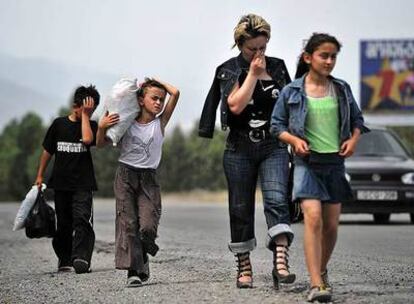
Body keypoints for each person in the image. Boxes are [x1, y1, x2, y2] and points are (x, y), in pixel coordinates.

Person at [271, 33, 369, 302]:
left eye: (333, 56)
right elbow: (276, 126)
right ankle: (316, 284)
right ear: (308, 58)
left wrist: (353, 139)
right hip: (307, 163)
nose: (329, 61)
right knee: (312, 218)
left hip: (335, 164)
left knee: (331, 226)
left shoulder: (341, 89)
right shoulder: (292, 91)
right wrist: (294, 140)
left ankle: (322, 269)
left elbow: (358, 121)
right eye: (323, 55)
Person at [199, 13, 295, 289]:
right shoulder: (228, 69)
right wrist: (253, 74)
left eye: (263, 47)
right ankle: (244, 265)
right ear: (240, 44)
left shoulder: (278, 67)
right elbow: (236, 106)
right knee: (240, 208)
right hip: (238, 147)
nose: (259, 54)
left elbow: (290, 104)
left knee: (277, 199)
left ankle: (280, 261)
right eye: (253, 48)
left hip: (273, 145)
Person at [97, 78, 179, 287]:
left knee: (148, 226)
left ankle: (143, 255)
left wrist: (155, 80)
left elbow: (175, 93)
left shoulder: (160, 123)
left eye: (161, 99)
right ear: (141, 100)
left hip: (149, 179)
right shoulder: (126, 123)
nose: (159, 103)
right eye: (154, 98)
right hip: (125, 176)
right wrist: (101, 127)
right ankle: (134, 270)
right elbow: (100, 144)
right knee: (129, 225)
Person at [34, 85, 103, 274]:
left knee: (82, 219)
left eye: (93, 110)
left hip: (83, 183)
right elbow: (48, 151)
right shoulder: (59, 125)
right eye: (86, 108)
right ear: (75, 106)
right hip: (61, 183)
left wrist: (87, 117)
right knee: (63, 223)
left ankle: (81, 258)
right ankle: (64, 258)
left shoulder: (91, 126)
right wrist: (40, 174)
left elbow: (88, 140)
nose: (89, 112)